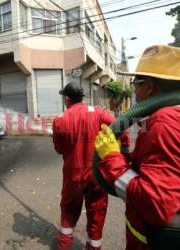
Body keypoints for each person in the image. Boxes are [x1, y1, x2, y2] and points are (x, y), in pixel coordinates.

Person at [94, 44, 180, 250]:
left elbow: (157, 204)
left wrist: (111, 157)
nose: (134, 89)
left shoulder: (168, 123)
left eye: (136, 82)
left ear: (150, 86)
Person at [52, 82, 130, 250]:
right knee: (96, 212)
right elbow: (122, 128)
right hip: (97, 175)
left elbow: (59, 150)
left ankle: (64, 245)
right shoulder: (99, 113)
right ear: (81, 98)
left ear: (67, 99)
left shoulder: (59, 120)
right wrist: (124, 154)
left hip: (73, 176)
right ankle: (94, 247)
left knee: (69, 211)